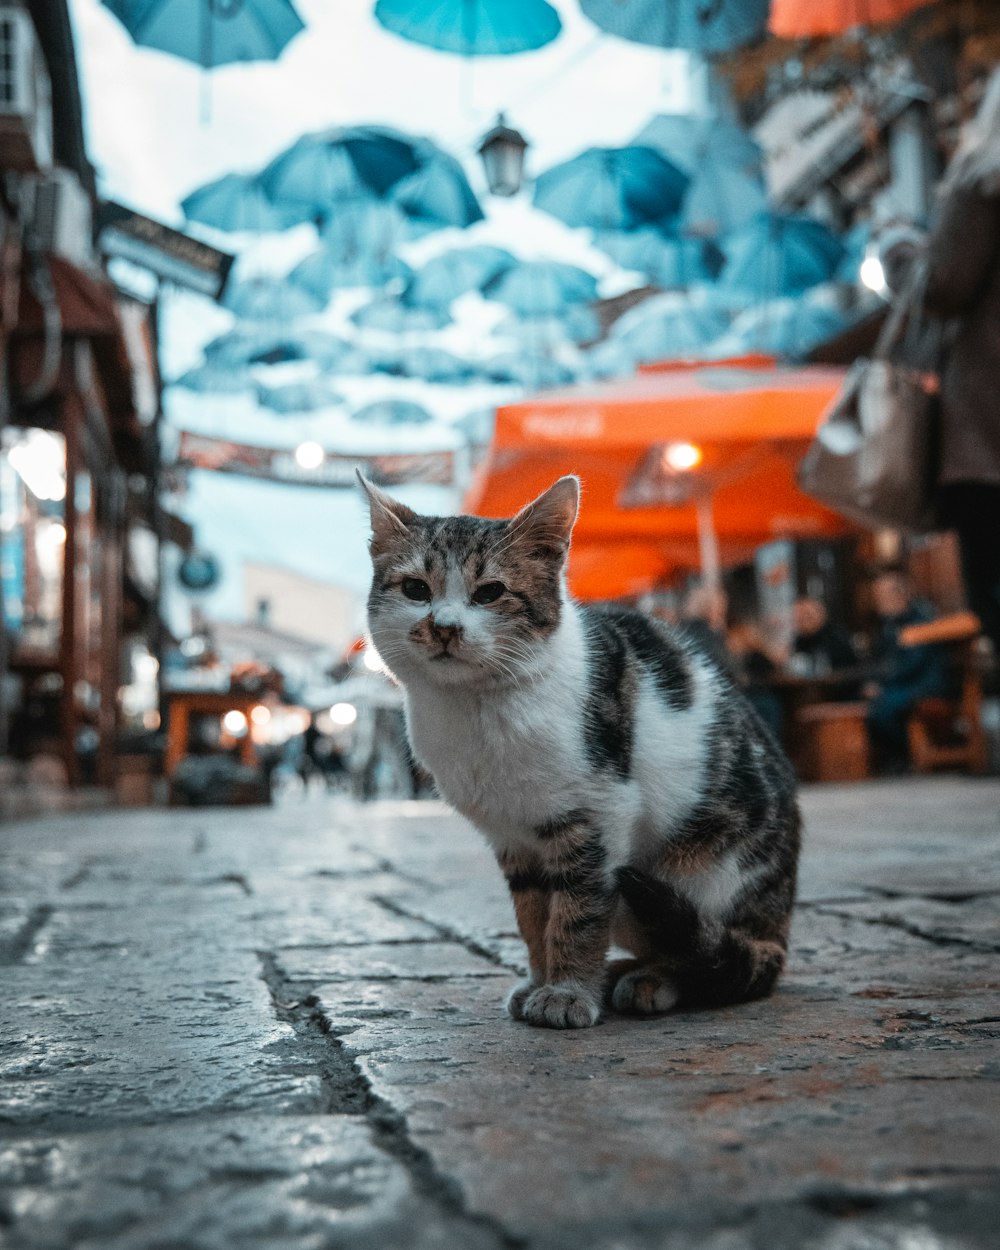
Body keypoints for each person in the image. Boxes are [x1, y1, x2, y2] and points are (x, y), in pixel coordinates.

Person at [915, 68, 1000, 660]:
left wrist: (899, 252)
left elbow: (943, 287)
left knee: (992, 593)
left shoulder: (985, 183)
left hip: (990, 441)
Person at [864, 568, 954, 773]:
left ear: (900, 595)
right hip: (902, 684)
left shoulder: (919, 621)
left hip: (924, 685)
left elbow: (912, 664)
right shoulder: (889, 625)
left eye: (883, 596)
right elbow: (879, 661)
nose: (879, 601)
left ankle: (912, 755)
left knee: (882, 711)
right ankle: (902, 757)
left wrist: (881, 685)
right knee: (869, 708)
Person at [789, 597, 861, 698]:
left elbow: (845, 670)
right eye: (799, 618)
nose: (803, 621)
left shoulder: (835, 636)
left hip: (841, 691)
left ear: (821, 615)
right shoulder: (800, 639)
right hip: (810, 689)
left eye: (807, 616)